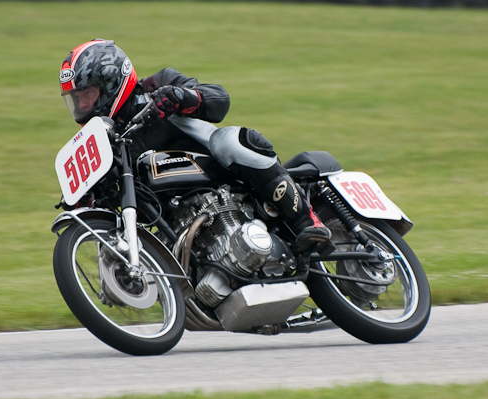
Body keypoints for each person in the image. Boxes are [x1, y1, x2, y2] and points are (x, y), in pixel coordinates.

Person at [59, 39, 331, 254]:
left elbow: (220, 100)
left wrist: (181, 97)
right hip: (180, 219)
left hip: (222, 177)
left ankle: (306, 220)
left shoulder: (157, 85)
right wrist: (82, 197)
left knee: (229, 140)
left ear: (111, 82)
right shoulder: (104, 143)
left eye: (88, 94)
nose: (82, 105)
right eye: (76, 99)